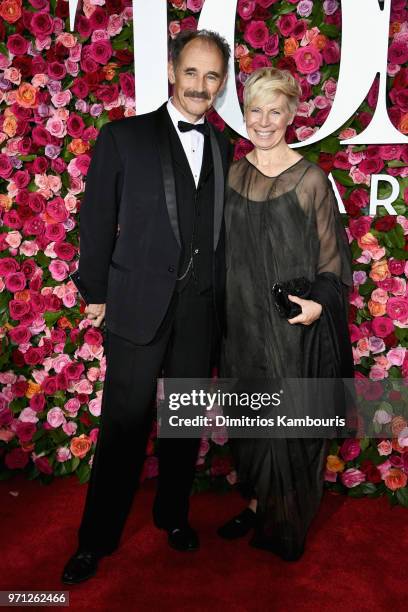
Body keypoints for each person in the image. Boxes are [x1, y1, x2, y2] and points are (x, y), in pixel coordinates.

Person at [62, 29, 233, 584]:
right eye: (192, 72)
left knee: (183, 423)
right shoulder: (123, 137)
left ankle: (173, 516)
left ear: (222, 82)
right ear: (170, 70)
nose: (201, 85)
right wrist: (96, 292)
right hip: (136, 304)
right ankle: (96, 540)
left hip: (199, 309)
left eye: (212, 76)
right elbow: (95, 218)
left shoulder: (225, 146)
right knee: (124, 427)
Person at [217, 67, 354, 561]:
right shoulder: (230, 174)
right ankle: (256, 503)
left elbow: (331, 258)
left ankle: (285, 519)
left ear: (292, 114)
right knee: (250, 424)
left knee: (290, 424)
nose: (264, 120)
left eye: (275, 110)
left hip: (292, 327)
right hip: (240, 325)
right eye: (256, 110)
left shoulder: (311, 179)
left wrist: (318, 303)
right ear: (244, 114)